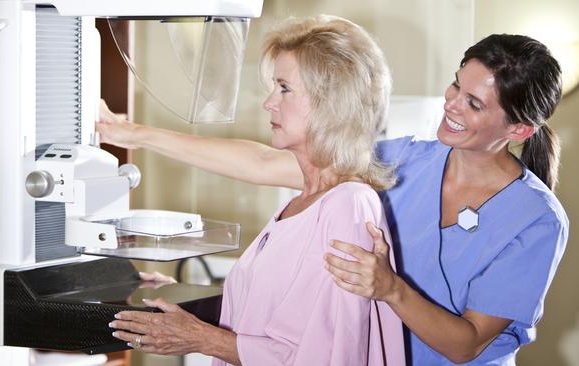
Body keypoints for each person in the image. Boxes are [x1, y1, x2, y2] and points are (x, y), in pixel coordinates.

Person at [100, 30, 569, 365]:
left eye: (474, 103)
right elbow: (264, 164)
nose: (451, 104)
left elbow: (465, 345)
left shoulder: (535, 220)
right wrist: (132, 133)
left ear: (518, 129)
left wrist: (390, 288)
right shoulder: (406, 160)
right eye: (455, 85)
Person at [106, 15, 406, 366]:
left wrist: (200, 338)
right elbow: (276, 322)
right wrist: (182, 299)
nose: (268, 102)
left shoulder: (348, 205)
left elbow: (329, 355)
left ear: (330, 101)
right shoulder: (303, 203)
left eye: (284, 88)